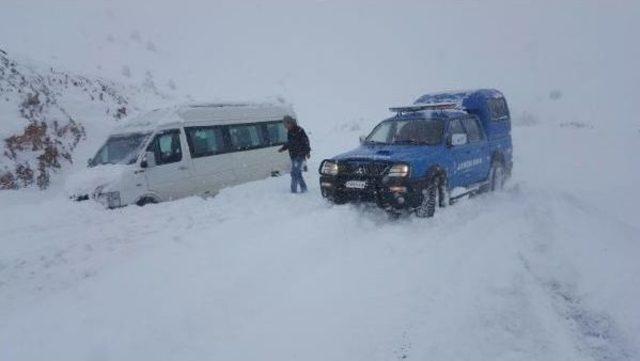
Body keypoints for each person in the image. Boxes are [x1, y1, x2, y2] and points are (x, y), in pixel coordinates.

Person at [278, 116, 310, 193]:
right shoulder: (289, 132)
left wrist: (307, 152)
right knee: (297, 173)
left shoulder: (299, 131)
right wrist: (283, 148)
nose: (285, 127)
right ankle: (304, 189)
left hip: (300, 155)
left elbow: (306, 142)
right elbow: (289, 143)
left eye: (286, 125)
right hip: (293, 156)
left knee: (294, 173)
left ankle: (293, 191)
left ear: (290, 123)